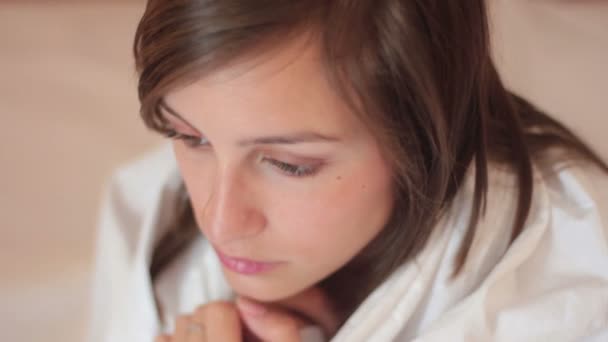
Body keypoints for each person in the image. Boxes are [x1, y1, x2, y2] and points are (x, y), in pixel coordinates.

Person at [88, 1, 608, 341]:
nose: (220, 221)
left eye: (290, 166)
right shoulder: (153, 211)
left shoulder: (574, 291)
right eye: (188, 137)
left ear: (422, 137)